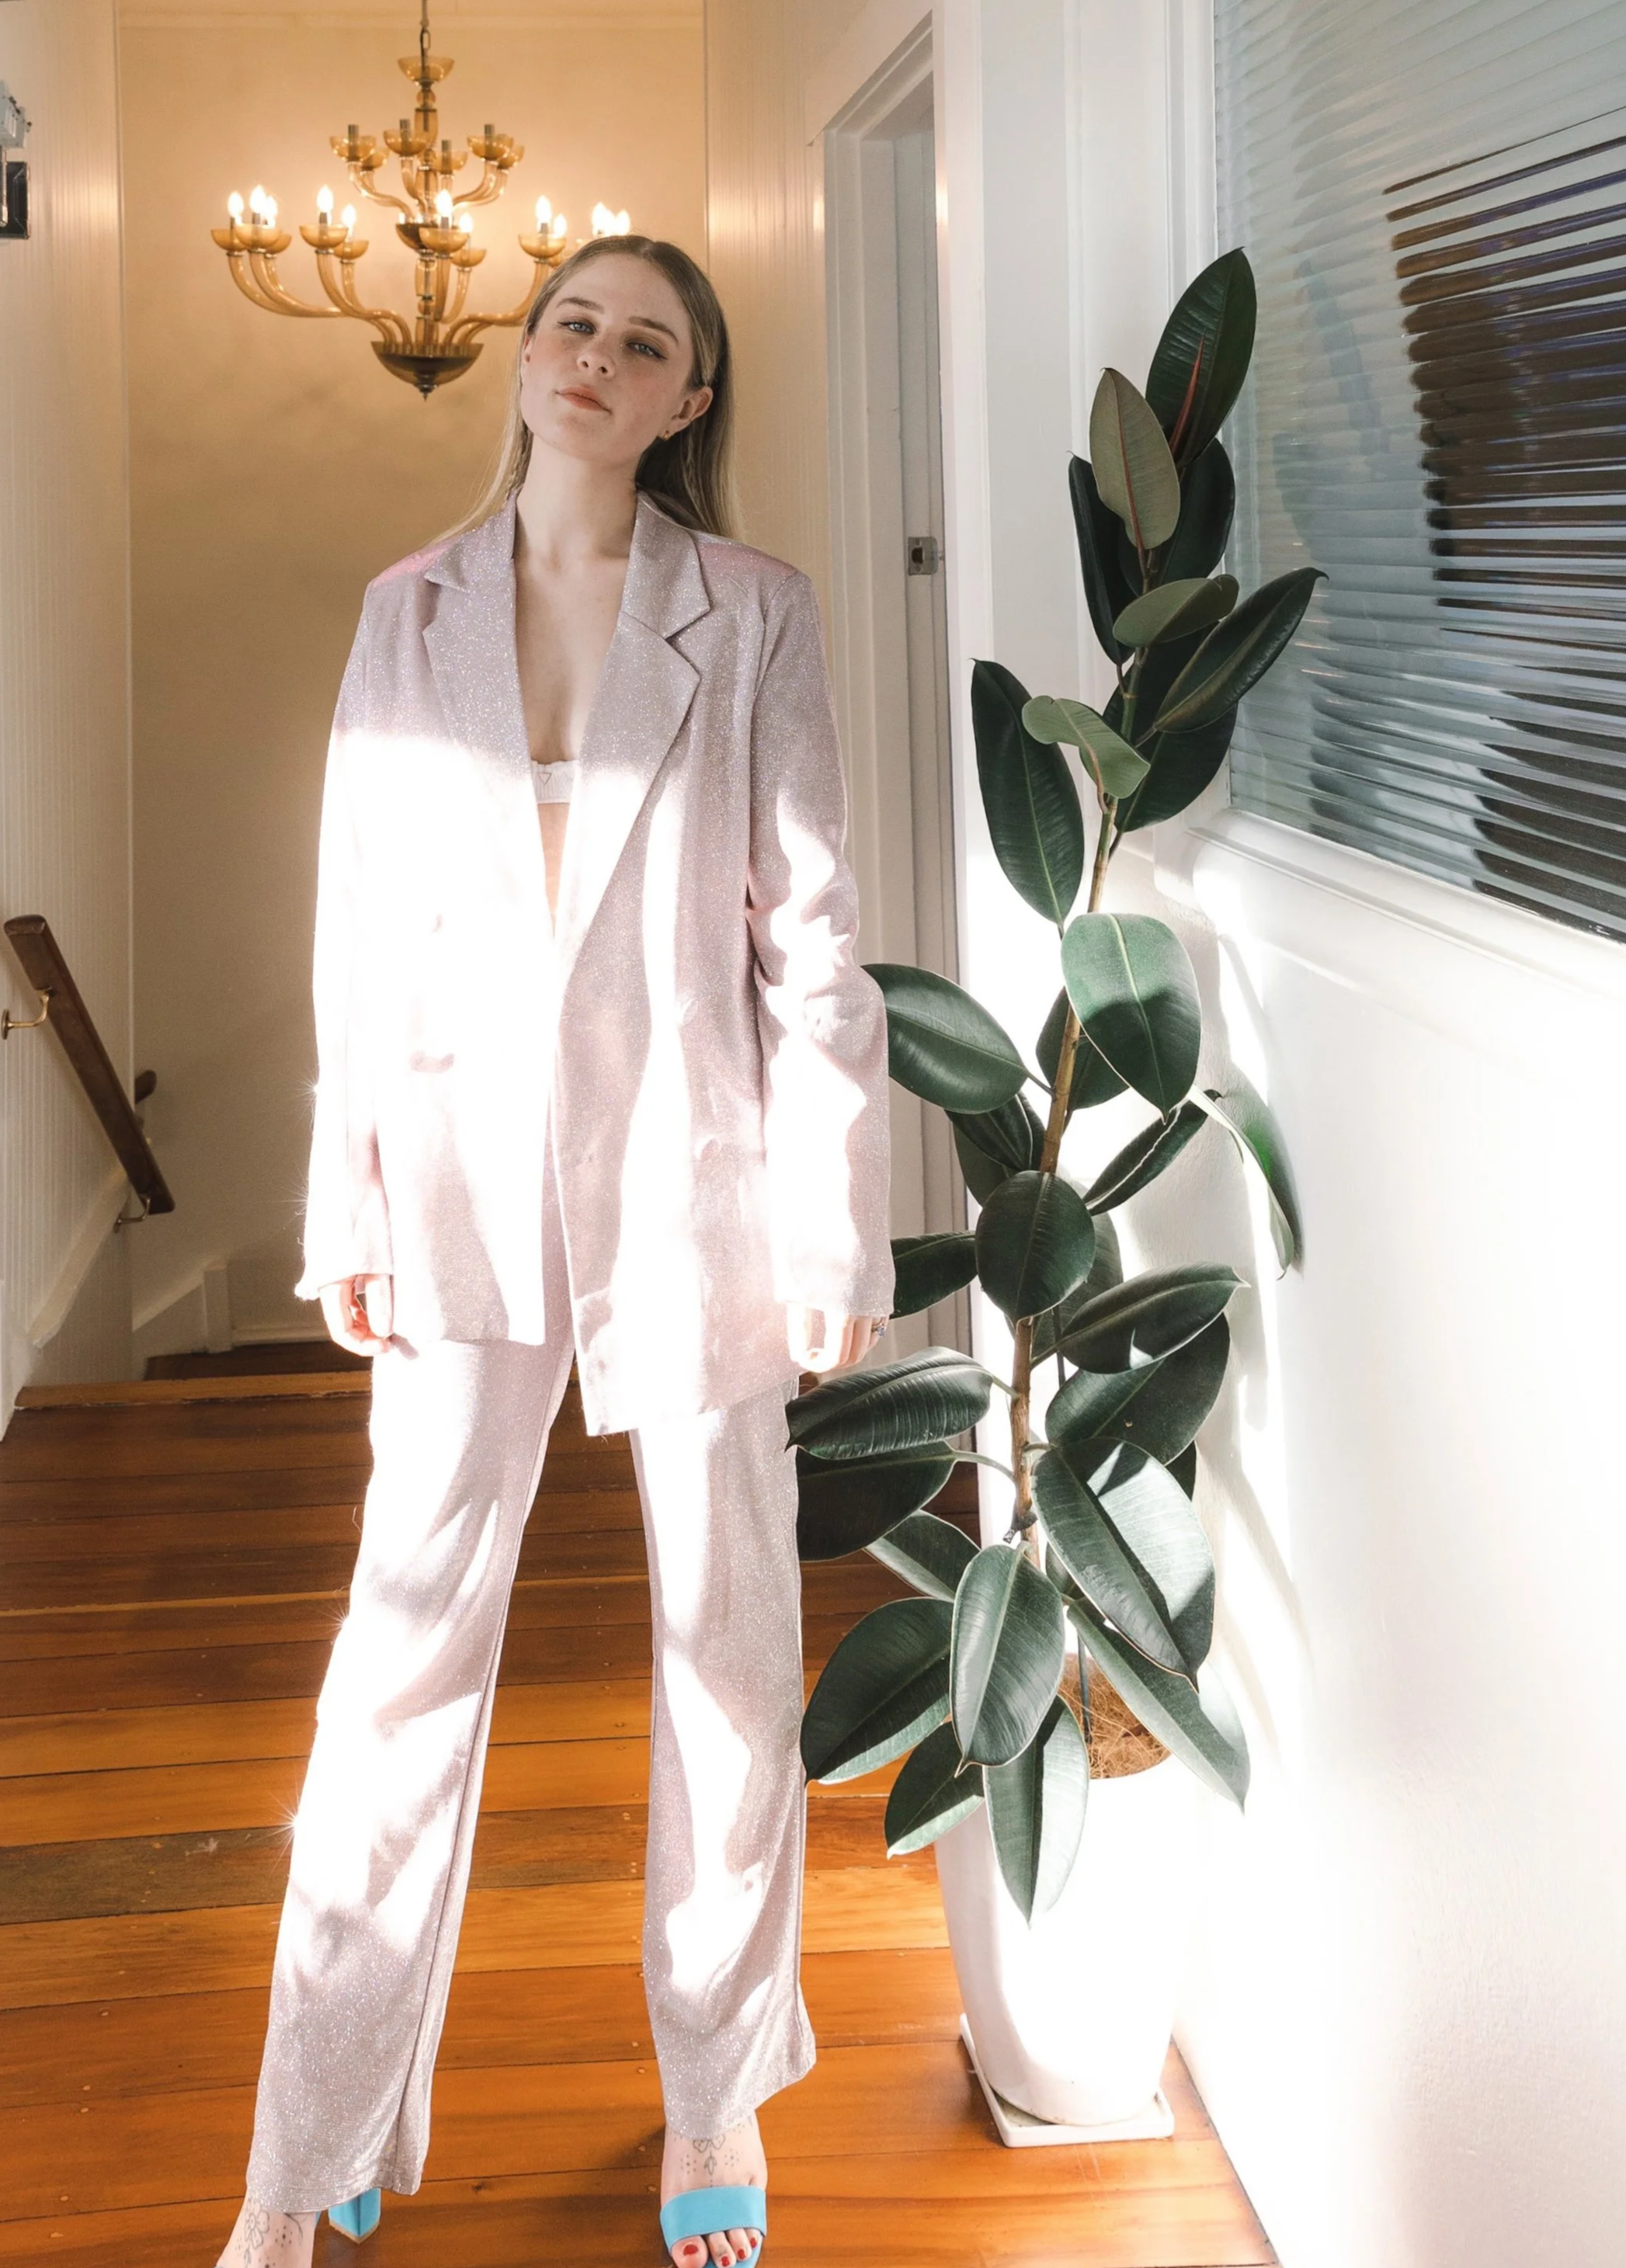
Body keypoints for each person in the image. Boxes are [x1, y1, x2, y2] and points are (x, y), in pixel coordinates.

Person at [215, 234, 895, 2268]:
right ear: (526, 361)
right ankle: (307, 2138)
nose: (593, 358)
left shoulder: (749, 617)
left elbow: (815, 945)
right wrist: (343, 1187)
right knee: (395, 1663)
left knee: (722, 1658)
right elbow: (357, 926)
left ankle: (715, 2098)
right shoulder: (403, 612)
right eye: (571, 325)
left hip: (690, 1190)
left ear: (691, 399)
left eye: (644, 342)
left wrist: (831, 1211)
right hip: (448, 1187)